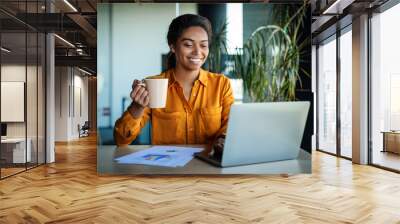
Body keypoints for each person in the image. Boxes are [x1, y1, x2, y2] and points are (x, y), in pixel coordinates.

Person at [114, 14, 234, 154]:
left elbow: (231, 126)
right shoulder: (154, 84)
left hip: (209, 166)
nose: (197, 52)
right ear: (172, 46)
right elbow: (120, 140)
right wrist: (137, 107)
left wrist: (223, 139)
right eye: (188, 44)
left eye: (203, 45)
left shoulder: (221, 85)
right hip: (168, 169)